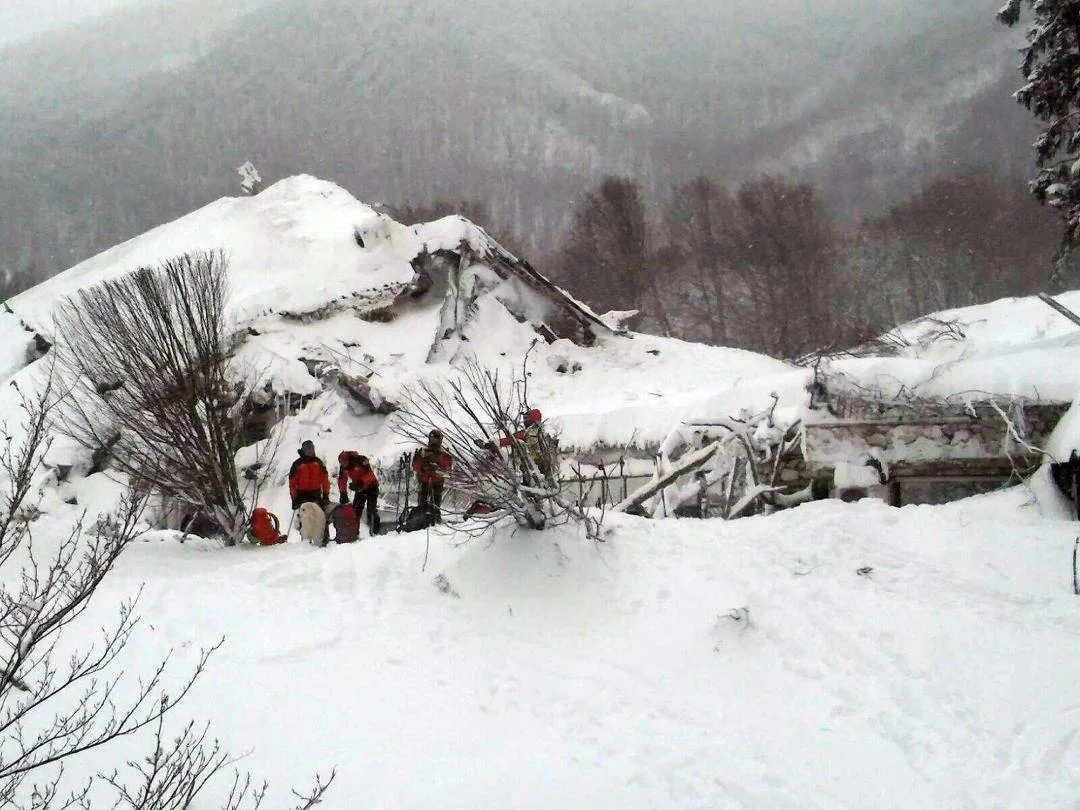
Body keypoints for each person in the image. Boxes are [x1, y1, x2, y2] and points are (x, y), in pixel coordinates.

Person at [498, 408, 552, 478]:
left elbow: (511, 439)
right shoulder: (543, 433)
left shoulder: (528, 433)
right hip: (545, 466)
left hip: (533, 467)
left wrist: (497, 443)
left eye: (526, 421)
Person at [411, 428, 453, 519]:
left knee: (435, 504)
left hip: (437, 481)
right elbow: (415, 466)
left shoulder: (444, 454)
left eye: (435, 439)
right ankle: (422, 519)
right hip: (424, 480)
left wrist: (436, 464)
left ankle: (435, 518)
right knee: (422, 502)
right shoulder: (423, 451)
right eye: (431, 438)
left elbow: (447, 468)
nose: (433, 441)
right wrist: (422, 464)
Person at [337, 451, 380, 534]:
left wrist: (360, 482)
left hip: (371, 487)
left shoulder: (360, 460)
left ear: (348, 459)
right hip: (360, 490)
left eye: (345, 462)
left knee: (371, 510)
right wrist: (343, 493)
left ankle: (375, 532)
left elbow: (370, 475)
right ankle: (354, 532)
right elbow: (342, 480)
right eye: (342, 463)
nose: (344, 465)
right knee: (356, 511)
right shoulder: (343, 468)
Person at [289, 440, 331, 511]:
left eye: (311, 448)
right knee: (305, 515)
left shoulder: (318, 462)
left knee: (319, 514)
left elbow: (325, 479)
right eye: (307, 449)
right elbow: (292, 482)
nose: (310, 451)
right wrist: (294, 498)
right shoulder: (297, 464)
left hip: (316, 493)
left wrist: (325, 493)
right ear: (303, 450)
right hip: (302, 495)